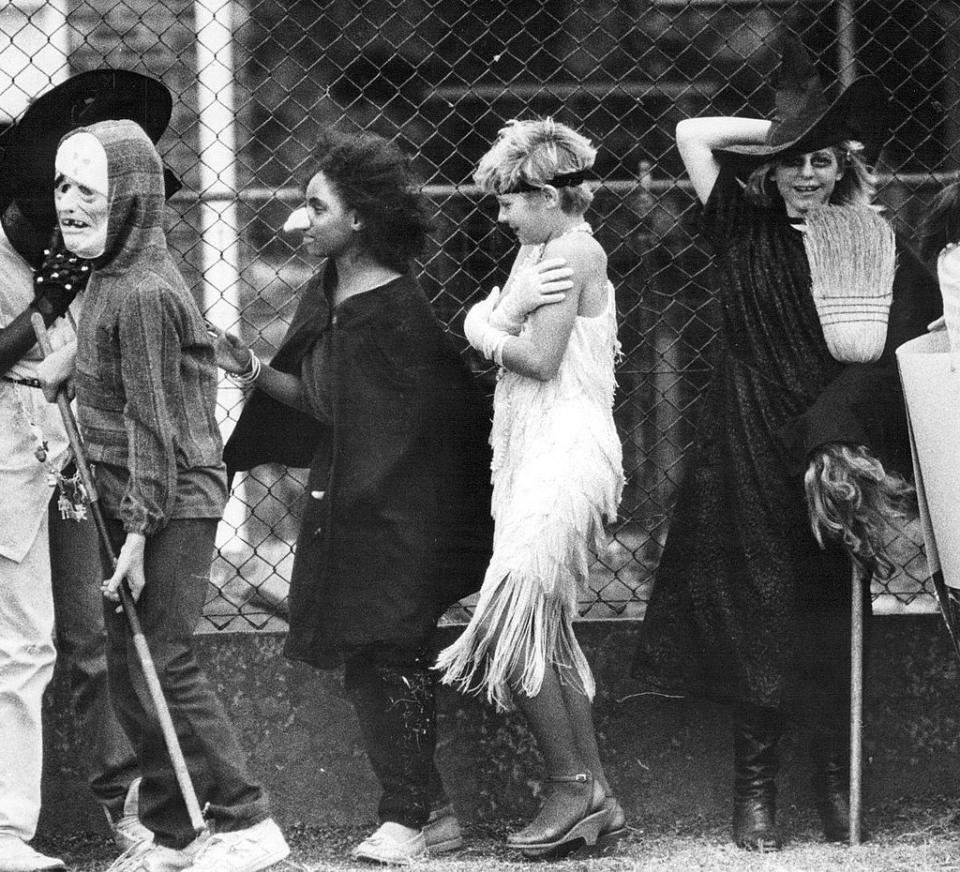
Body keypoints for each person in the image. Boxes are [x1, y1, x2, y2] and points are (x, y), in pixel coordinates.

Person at [630, 37, 942, 850]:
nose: (808, 173)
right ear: (767, 167)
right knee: (753, 614)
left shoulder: (875, 245)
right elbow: (694, 135)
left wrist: (840, 424)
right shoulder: (741, 227)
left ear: (847, 169)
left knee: (831, 616)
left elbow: (908, 348)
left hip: (832, 458)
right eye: (793, 161)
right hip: (747, 445)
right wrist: (788, 128)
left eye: (825, 159)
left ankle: (835, 782)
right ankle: (756, 789)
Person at [216, 130, 496, 866]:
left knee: (394, 656)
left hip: (401, 514)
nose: (297, 221)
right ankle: (423, 814)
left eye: (315, 207)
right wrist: (243, 365)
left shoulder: (402, 311)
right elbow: (324, 405)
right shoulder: (330, 291)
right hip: (348, 507)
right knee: (366, 664)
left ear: (360, 218)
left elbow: (428, 423)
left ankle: (411, 818)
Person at [46, 118, 289, 872]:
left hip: (172, 498)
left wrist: (141, 535)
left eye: (90, 189)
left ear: (133, 200)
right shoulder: (111, 278)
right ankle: (175, 832)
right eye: (61, 185)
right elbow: (116, 377)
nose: (70, 203)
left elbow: (154, 422)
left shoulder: (146, 290)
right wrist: (72, 365)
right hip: (134, 496)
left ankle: (247, 821)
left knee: (167, 657)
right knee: (129, 663)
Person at [0, 70, 181, 870]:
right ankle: (8, 831)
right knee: (23, 646)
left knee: (91, 640)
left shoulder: (93, 259)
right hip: (6, 468)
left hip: (70, 462)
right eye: (46, 207)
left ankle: (126, 817)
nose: (61, 222)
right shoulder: (34, 261)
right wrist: (43, 303)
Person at [433, 118, 626, 859]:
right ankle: (597, 796)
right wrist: (489, 317)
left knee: (515, 629)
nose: (501, 214)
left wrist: (479, 323)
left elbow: (537, 359)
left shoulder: (573, 251)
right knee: (541, 629)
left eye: (510, 201)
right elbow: (503, 324)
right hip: (528, 454)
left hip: (564, 453)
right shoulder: (539, 249)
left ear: (545, 195)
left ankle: (569, 785)